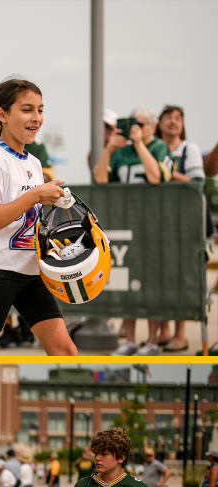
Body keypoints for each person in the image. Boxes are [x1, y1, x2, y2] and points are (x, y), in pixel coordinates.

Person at [0, 78, 76, 356]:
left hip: (32, 272)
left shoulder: (34, 163)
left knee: (65, 351)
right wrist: (35, 195)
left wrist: (53, 199)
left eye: (40, 109)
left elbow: (27, 214)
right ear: (2, 114)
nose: (36, 118)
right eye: (27, 109)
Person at [95, 107, 172, 356]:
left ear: (151, 126)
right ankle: (128, 339)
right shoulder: (121, 153)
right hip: (128, 223)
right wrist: (110, 149)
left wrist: (140, 144)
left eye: (139, 124)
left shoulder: (159, 147)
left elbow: (155, 177)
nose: (134, 128)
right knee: (128, 283)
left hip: (153, 225)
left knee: (150, 285)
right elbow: (101, 179)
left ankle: (151, 341)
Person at [156, 104, 206, 352]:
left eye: (177, 119)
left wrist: (169, 175)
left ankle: (181, 333)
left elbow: (197, 183)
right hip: (161, 222)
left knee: (181, 279)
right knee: (163, 278)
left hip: (184, 223)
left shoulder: (190, 149)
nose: (173, 122)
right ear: (160, 123)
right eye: (168, 118)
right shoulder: (156, 147)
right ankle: (164, 331)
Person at [65, 427, 154, 487]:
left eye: (104, 454)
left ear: (121, 457)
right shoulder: (82, 486)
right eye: (96, 454)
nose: (97, 458)